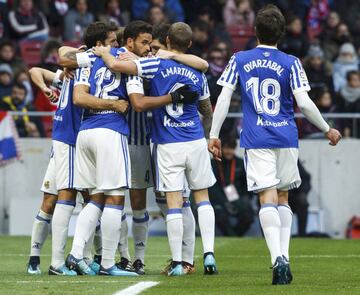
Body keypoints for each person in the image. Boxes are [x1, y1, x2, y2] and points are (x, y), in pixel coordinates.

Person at [208, 4, 341, 285]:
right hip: (286, 137)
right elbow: (304, 103)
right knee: (283, 197)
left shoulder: (239, 59)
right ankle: (286, 257)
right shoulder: (292, 62)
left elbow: (223, 97)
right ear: (281, 33)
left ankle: (276, 258)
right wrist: (327, 129)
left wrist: (214, 133)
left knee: (265, 196)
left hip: (256, 138)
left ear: (255, 31)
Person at [66, 21, 198, 277]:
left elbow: (66, 64)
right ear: (127, 42)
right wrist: (117, 105)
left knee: (95, 198)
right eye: (145, 43)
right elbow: (137, 103)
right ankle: (108, 263)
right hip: (114, 134)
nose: (149, 49)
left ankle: (77, 254)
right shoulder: (132, 65)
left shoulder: (88, 59)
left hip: (86, 132)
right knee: (116, 197)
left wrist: (79, 55)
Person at [94, 22, 218, 277]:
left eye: (154, 44)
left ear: (168, 41)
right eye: (146, 44)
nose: (151, 48)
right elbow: (207, 108)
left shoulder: (152, 65)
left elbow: (134, 97)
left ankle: (176, 261)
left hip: (163, 142)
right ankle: (205, 255)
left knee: (170, 203)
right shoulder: (197, 72)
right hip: (192, 140)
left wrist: (103, 53)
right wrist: (209, 135)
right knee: (197, 199)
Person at [26, 21, 123, 276]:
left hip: (69, 137)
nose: (115, 46)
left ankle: (84, 257)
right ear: (100, 44)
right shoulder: (88, 61)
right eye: (112, 41)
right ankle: (57, 262)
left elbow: (54, 58)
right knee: (65, 196)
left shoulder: (78, 64)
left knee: (85, 198)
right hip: (69, 137)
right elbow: (55, 57)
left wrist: (72, 57)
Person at [208, 136, 254, 236]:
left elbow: (248, 185)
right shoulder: (214, 163)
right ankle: (231, 236)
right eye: (226, 148)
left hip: (237, 199)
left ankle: (235, 236)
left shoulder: (240, 163)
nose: (229, 151)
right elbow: (212, 188)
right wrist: (224, 201)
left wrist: (244, 199)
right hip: (219, 201)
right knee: (220, 215)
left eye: (232, 148)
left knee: (248, 215)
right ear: (221, 148)